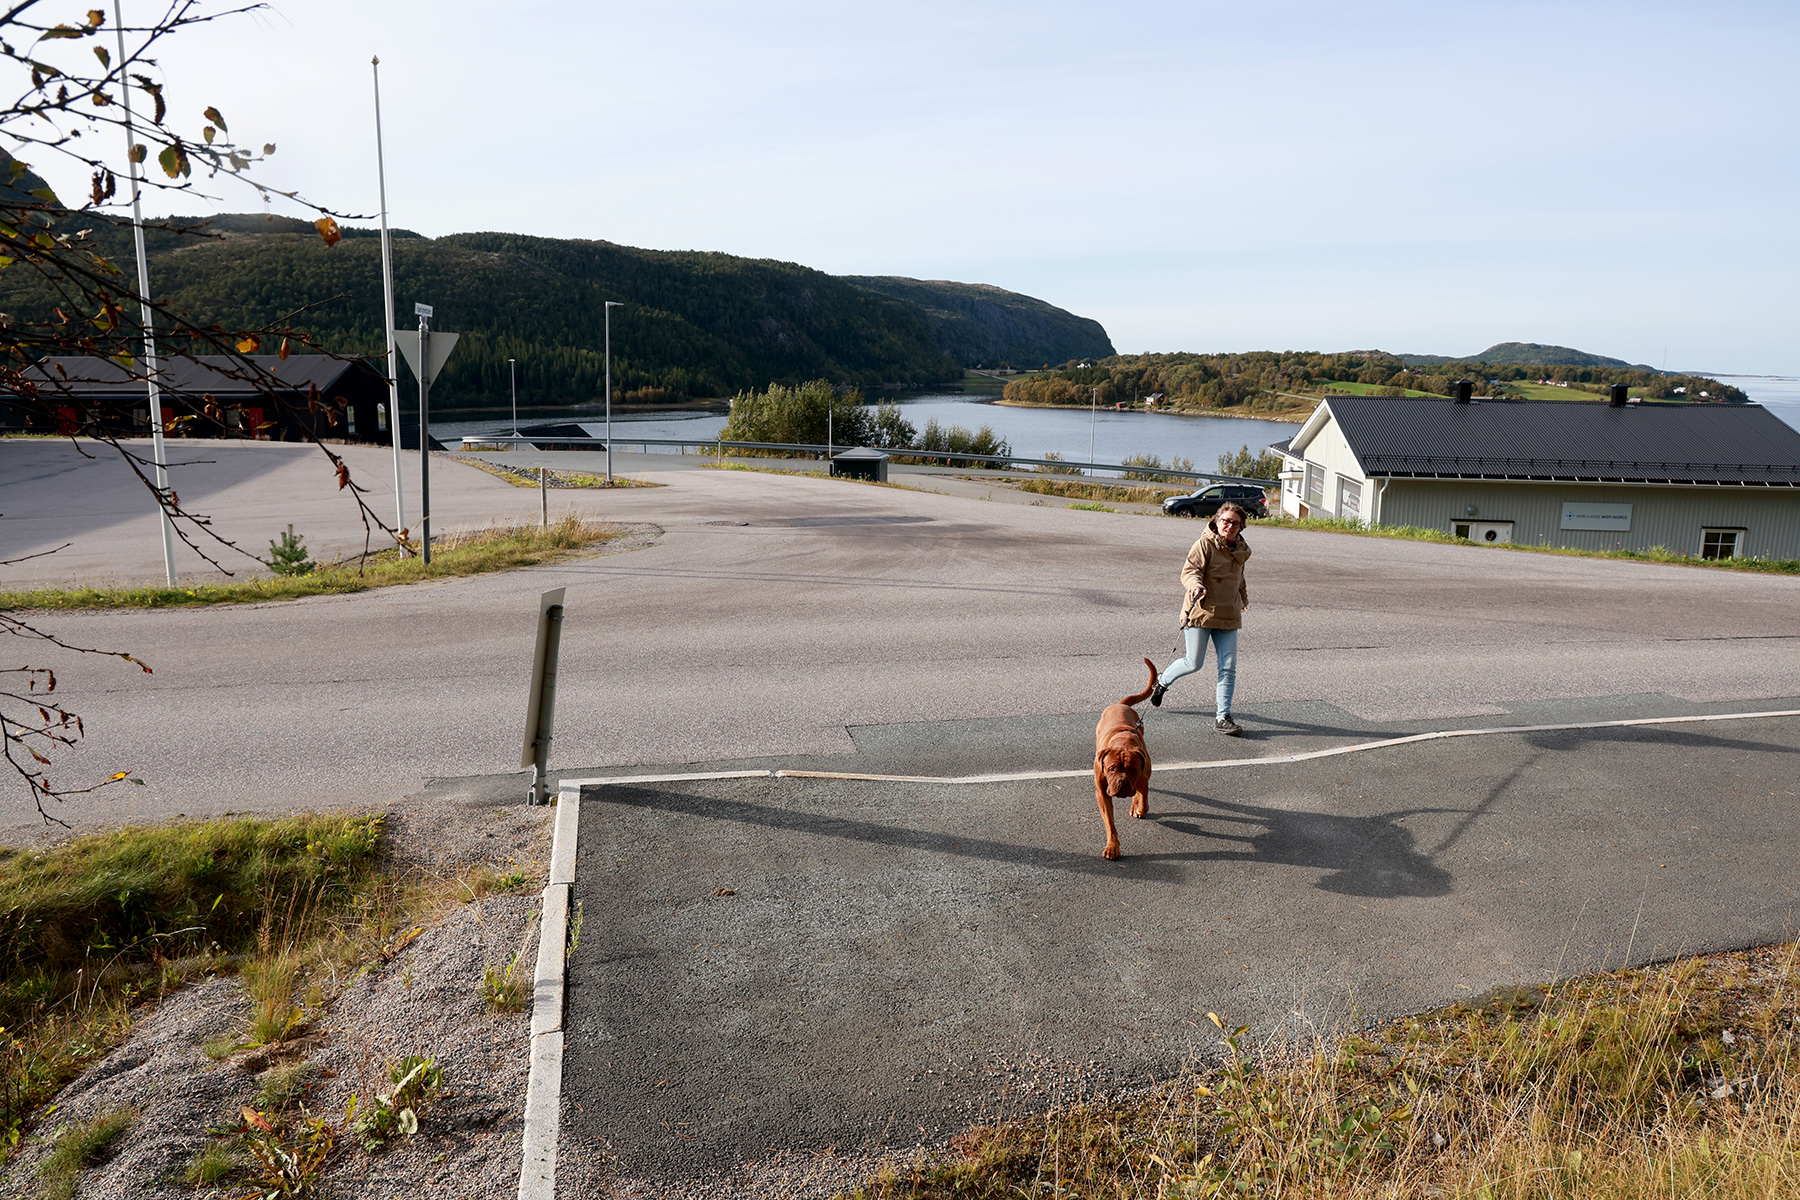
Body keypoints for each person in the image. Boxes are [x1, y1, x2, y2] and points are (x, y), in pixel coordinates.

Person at [1150, 501, 1250, 734]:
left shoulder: (1240, 550)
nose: (1230, 526)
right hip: (1201, 611)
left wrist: (1243, 600)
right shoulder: (1203, 544)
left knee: (1228, 667)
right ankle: (1163, 682)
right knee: (1193, 663)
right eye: (1226, 521)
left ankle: (1222, 717)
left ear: (1240, 527)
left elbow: (1239, 578)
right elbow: (1190, 571)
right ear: (1217, 520)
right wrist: (1195, 586)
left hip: (1228, 613)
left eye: (1235, 523)